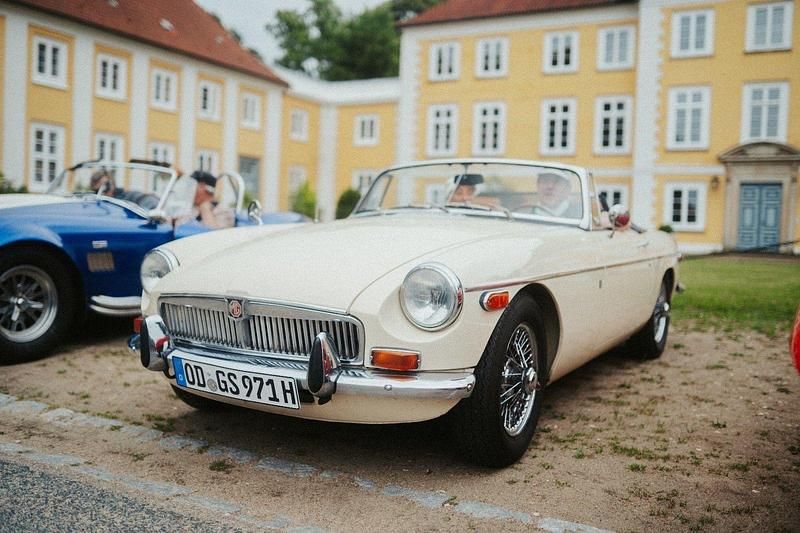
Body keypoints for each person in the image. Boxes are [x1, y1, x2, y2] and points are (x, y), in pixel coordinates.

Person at [89, 169, 159, 210]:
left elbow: (150, 200)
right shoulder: (91, 202)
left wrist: (144, 211)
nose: (101, 193)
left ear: (112, 185)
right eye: (97, 191)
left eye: (104, 188)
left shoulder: (128, 196)